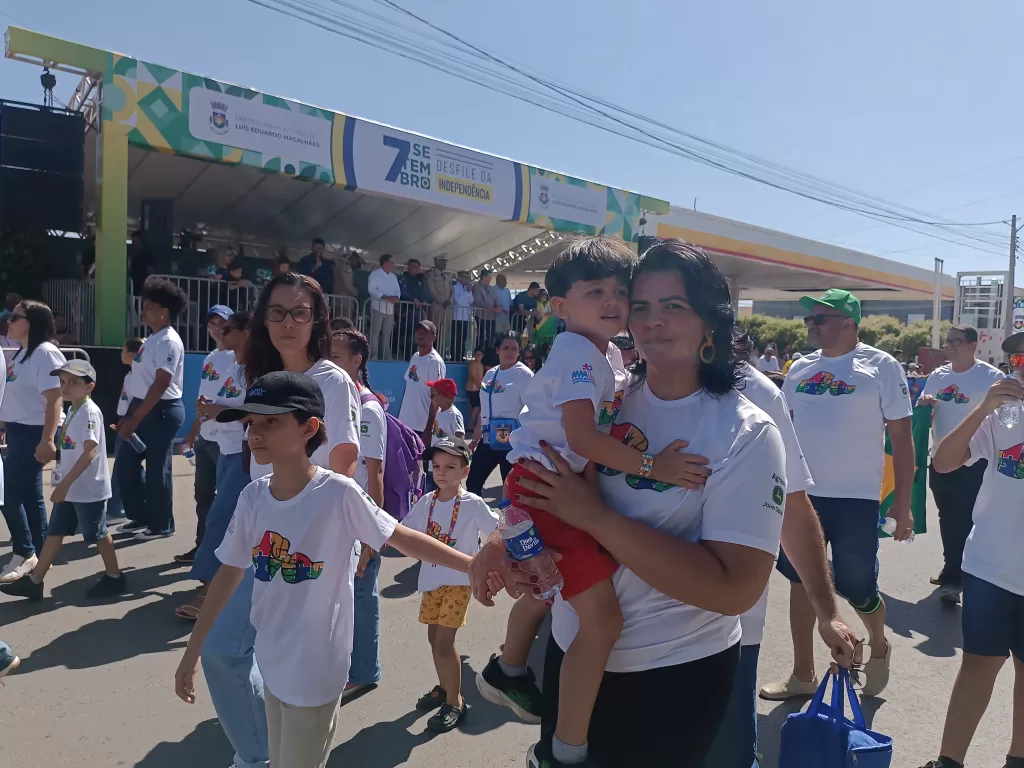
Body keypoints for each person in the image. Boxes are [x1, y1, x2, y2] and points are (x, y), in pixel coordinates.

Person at [473, 240, 787, 767]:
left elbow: (736, 590)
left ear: (710, 320)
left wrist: (594, 517)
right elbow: (546, 463)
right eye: (641, 305)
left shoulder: (745, 431)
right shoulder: (610, 397)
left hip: (672, 676)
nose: (651, 320)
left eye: (674, 306)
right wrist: (503, 538)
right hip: (571, 651)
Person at [174, 371, 475, 768]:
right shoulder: (253, 498)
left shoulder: (337, 494)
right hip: (271, 662)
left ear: (309, 428)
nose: (255, 434)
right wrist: (192, 651)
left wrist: (473, 566)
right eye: (251, 423)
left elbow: (402, 537)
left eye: (271, 422)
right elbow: (228, 573)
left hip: (316, 671)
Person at [502, 236, 705, 767]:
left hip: (551, 485)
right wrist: (653, 466)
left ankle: (510, 669)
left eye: (619, 290)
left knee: (553, 586)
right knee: (602, 623)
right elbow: (582, 436)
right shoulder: (577, 353)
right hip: (546, 488)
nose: (612, 301)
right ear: (561, 306)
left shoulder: (606, 354)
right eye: (595, 292)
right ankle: (565, 750)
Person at [197, 271, 361, 768]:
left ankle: (265, 754)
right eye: (277, 312)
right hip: (263, 532)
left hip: (308, 545)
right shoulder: (262, 377)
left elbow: (345, 461)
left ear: (317, 321)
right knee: (227, 651)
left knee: (245, 655)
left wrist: (342, 542)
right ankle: (263, 752)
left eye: (300, 313)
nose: (288, 322)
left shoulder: (332, 381)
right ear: (263, 319)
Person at [702, 363, 858, 768]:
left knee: (726, 756)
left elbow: (792, 506)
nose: (652, 331)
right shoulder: (619, 381)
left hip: (727, 633)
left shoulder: (756, 393)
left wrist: (828, 613)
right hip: (626, 628)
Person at [761, 288, 913, 702]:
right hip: (802, 494)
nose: (812, 325)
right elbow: (783, 429)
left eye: (821, 318)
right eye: (809, 319)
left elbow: (902, 439)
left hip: (857, 499)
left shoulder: (882, 366)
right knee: (802, 580)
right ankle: (803, 674)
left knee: (858, 587)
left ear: (849, 323)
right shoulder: (799, 368)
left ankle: (877, 643)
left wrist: (903, 504)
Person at [919, 330, 1024, 768]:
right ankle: (949, 761)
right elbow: (944, 462)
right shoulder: (1003, 417)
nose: (1021, 370)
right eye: (1018, 362)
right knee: (978, 665)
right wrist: (982, 408)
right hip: (989, 568)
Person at [2, 360, 124, 601]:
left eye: (73, 383)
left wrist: (65, 484)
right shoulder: (74, 410)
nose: (65, 387)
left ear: (90, 386)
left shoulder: (89, 412)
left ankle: (114, 575)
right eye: (62, 382)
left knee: (98, 534)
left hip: (87, 489)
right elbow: (73, 446)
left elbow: (90, 451)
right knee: (55, 532)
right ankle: (35, 580)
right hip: (70, 488)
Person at [403, 437, 498, 732]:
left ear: (465, 471)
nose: (441, 472)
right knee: (434, 640)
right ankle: (445, 686)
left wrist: (490, 567)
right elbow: (403, 532)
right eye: (436, 467)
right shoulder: (426, 502)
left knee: (444, 644)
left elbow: (497, 532)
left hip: (458, 583)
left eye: (450, 467)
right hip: (430, 581)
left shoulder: (473, 504)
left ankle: (455, 701)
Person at [918, 325, 1003, 604]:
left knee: (968, 518)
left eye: (956, 341)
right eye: (948, 341)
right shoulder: (938, 376)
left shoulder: (990, 377)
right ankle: (953, 567)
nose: (949, 346)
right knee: (947, 516)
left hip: (974, 461)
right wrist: (925, 403)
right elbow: (924, 406)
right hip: (941, 459)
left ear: (972, 344)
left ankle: (957, 577)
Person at [177, 312, 251, 621]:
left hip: (245, 454)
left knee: (221, 520)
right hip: (227, 451)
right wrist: (208, 410)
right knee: (224, 519)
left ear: (246, 332)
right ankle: (225, 589)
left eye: (228, 328)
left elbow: (254, 412)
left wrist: (217, 410)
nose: (221, 331)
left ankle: (209, 592)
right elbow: (223, 405)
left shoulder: (255, 370)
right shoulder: (232, 367)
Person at [330, 327, 387, 698]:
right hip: (340, 515)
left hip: (360, 518)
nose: (328, 363)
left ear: (356, 360)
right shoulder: (341, 399)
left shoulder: (368, 408)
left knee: (362, 594)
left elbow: (376, 474)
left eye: (335, 357)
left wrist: (371, 535)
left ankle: (364, 670)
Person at [115, 278, 187, 541]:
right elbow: (141, 382)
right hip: (142, 408)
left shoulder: (169, 341)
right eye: (142, 307)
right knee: (126, 464)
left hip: (162, 411)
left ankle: (162, 524)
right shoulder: (152, 340)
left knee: (158, 468)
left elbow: (161, 384)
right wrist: (129, 415)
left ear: (164, 312)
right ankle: (142, 515)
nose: (143, 312)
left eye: (148, 307)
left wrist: (135, 418)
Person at [0, 300, 66, 582]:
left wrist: (47, 440)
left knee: (6, 494)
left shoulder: (45, 353)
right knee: (29, 495)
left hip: (34, 433)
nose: (9, 321)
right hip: (19, 431)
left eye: (15, 317)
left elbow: (55, 400)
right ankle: (40, 554)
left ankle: (25, 552)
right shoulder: (23, 353)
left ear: (33, 323)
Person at [176, 304, 234, 564]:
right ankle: (202, 548)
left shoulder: (237, 358)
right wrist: (193, 434)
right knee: (203, 496)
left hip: (227, 441)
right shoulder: (210, 358)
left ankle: (224, 554)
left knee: (225, 501)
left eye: (222, 323)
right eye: (212, 323)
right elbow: (203, 402)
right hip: (206, 439)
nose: (217, 328)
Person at [466, 333, 534, 495]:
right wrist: (476, 436)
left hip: (513, 442)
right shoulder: (490, 374)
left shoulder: (524, 375)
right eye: (505, 348)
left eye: (514, 348)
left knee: (511, 489)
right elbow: (484, 407)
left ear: (519, 351)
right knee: (472, 484)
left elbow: (532, 409)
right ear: (497, 350)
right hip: (488, 439)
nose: (510, 352)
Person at [106, 338, 144, 522]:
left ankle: (116, 510)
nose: (121, 354)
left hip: (130, 426)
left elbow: (137, 402)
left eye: (123, 350)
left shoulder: (139, 376)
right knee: (127, 467)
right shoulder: (130, 375)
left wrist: (127, 423)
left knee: (123, 466)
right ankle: (122, 508)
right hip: (124, 423)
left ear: (132, 354)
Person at [398, 320, 446, 433]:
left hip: (422, 427)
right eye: (418, 330)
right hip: (405, 423)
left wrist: (429, 429)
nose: (420, 333)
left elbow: (437, 397)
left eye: (425, 331)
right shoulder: (415, 357)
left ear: (434, 337)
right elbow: (408, 387)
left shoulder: (435, 362)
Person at [421, 378, 465, 494]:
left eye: (432, 395)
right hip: (434, 466)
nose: (431, 398)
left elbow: (459, 437)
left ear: (442, 396)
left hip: (446, 468)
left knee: (449, 494)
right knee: (431, 496)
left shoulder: (454, 415)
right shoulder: (439, 413)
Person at [368, 254, 401, 360]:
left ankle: (386, 355)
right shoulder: (375, 274)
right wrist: (385, 297)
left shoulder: (393, 276)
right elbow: (372, 289)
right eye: (391, 262)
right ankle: (374, 354)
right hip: (377, 308)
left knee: (387, 333)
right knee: (375, 333)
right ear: (385, 263)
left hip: (390, 309)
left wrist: (396, 297)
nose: (393, 265)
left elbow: (398, 290)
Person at [425, 256, 453, 339]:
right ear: (436, 261)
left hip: (446, 308)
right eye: (442, 261)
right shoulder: (431, 274)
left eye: (445, 261)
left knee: (444, 332)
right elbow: (432, 290)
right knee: (433, 330)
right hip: (436, 307)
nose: (445, 264)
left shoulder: (447, 276)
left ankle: (441, 347)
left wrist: (450, 301)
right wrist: (442, 301)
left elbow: (452, 291)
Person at [473, 268, 499, 350]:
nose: (490, 279)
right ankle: (480, 351)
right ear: (484, 277)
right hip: (481, 316)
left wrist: (497, 307)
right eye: (489, 277)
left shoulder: (491, 288)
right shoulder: (477, 287)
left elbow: (495, 299)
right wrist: (491, 308)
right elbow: (478, 301)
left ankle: (489, 351)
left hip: (491, 317)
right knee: (481, 335)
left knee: (491, 335)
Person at [451, 271, 474, 360]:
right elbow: (458, 301)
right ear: (460, 278)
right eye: (465, 278)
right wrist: (467, 292)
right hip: (457, 317)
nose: (466, 280)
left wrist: (469, 292)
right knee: (456, 339)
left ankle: (460, 356)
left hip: (466, 318)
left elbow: (471, 301)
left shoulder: (466, 289)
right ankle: (454, 357)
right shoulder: (456, 287)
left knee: (463, 339)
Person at [466, 348, 484, 435]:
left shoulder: (481, 365)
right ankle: (470, 425)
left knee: (475, 406)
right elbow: (472, 376)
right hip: (472, 388)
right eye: (477, 354)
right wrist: (479, 386)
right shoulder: (472, 364)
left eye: (480, 354)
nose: (478, 356)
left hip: (478, 388)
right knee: (476, 406)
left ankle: (471, 424)